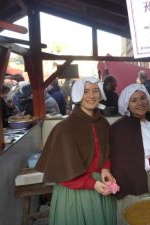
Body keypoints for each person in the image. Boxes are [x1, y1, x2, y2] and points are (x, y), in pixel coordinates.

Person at [35, 77, 117, 225]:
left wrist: (106, 169)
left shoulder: (103, 123)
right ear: (78, 95)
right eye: (86, 91)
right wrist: (92, 184)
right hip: (75, 192)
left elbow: (106, 151)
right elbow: (62, 170)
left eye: (95, 91)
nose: (91, 96)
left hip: (101, 186)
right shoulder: (65, 128)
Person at [110, 83, 150, 224]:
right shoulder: (119, 128)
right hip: (137, 180)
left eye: (143, 98)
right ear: (127, 104)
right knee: (140, 216)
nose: (140, 103)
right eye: (134, 100)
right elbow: (121, 162)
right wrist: (149, 162)